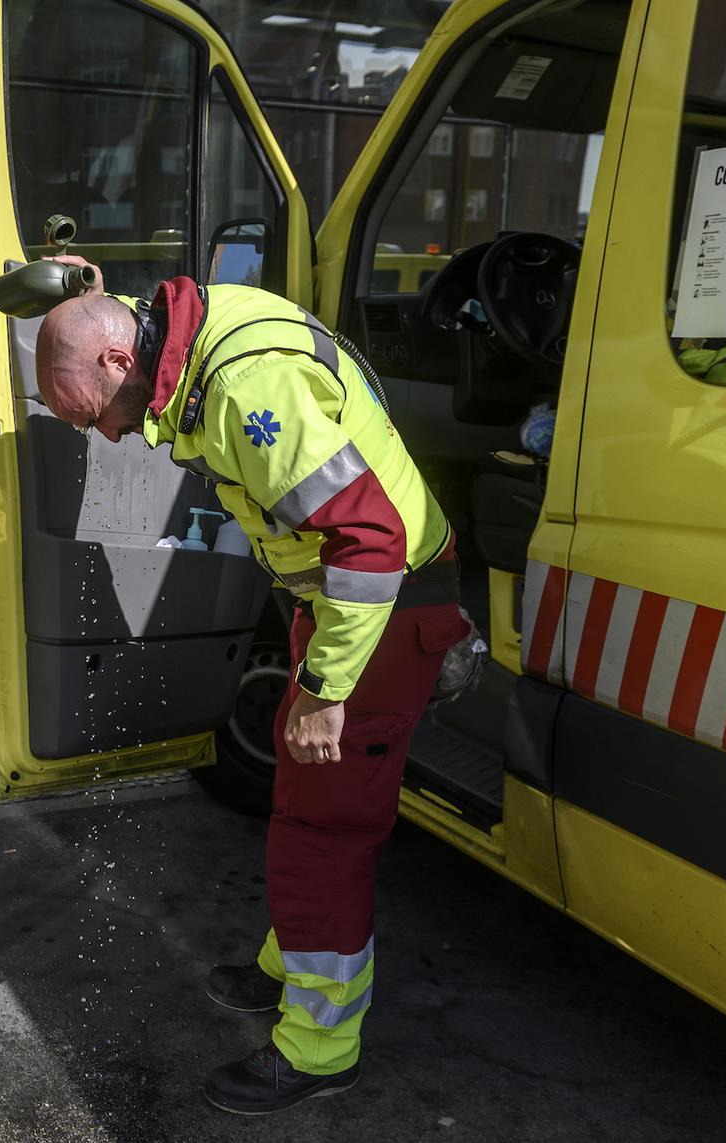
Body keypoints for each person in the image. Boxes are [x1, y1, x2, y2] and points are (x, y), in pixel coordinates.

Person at [33, 262, 469, 1115]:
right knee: (303, 810)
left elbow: (371, 540)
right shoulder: (187, 337)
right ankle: (289, 962)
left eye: (101, 418)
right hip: (344, 603)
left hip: (375, 610)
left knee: (323, 834)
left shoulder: (240, 389)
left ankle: (318, 1048)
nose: (114, 439)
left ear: (120, 361)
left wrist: (326, 688)